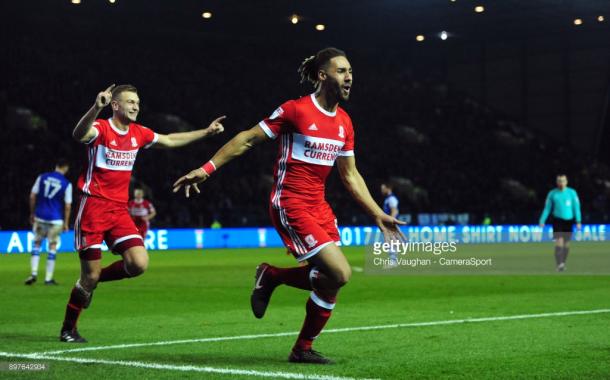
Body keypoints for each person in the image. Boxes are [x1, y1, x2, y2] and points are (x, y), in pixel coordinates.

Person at [173, 47, 405, 363]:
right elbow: (247, 139)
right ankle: (275, 284)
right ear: (322, 75)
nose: (349, 77)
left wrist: (378, 213)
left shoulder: (344, 123)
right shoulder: (295, 110)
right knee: (340, 272)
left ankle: (298, 341)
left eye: (351, 71)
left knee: (329, 280)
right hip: (290, 203)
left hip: (319, 207)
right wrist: (206, 168)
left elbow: (350, 175)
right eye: (341, 71)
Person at [60, 84, 225, 343]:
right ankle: (68, 329)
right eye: (130, 101)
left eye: (137, 102)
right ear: (115, 105)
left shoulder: (139, 133)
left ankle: (91, 284)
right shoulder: (102, 128)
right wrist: (96, 107)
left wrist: (206, 132)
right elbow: (78, 134)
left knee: (138, 264)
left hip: (118, 210)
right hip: (92, 207)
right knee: (88, 275)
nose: (136, 106)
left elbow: (170, 139)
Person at [25, 159, 72, 286]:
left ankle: (33, 273)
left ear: (56, 165)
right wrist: (66, 222)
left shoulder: (42, 177)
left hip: (40, 216)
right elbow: (68, 205)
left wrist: (32, 213)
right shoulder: (67, 184)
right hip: (55, 219)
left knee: (37, 244)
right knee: (52, 246)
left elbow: (32, 196)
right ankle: (48, 278)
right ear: (66, 168)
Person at [539, 174, 582, 272]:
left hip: (569, 221)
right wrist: (542, 220)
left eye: (563, 181)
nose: (561, 183)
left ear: (566, 182)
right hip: (558, 220)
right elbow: (547, 208)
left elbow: (576, 208)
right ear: (556, 182)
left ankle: (563, 263)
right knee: (559, 242)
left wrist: (578, 221)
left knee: (566, 245)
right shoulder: (552, 194)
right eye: (559, 181)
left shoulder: (572, 193)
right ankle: (559, 264)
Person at [380, 182, 400, 266]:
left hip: (391, 224)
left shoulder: (391, 199)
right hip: (389, 223)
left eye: (383, 188)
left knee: (391, 241)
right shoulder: (388, 198)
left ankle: (393, 261)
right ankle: (393, 260)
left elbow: (395, 211)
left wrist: (390, 222)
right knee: (390, 241)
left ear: (388, 188)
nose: (381, 190)